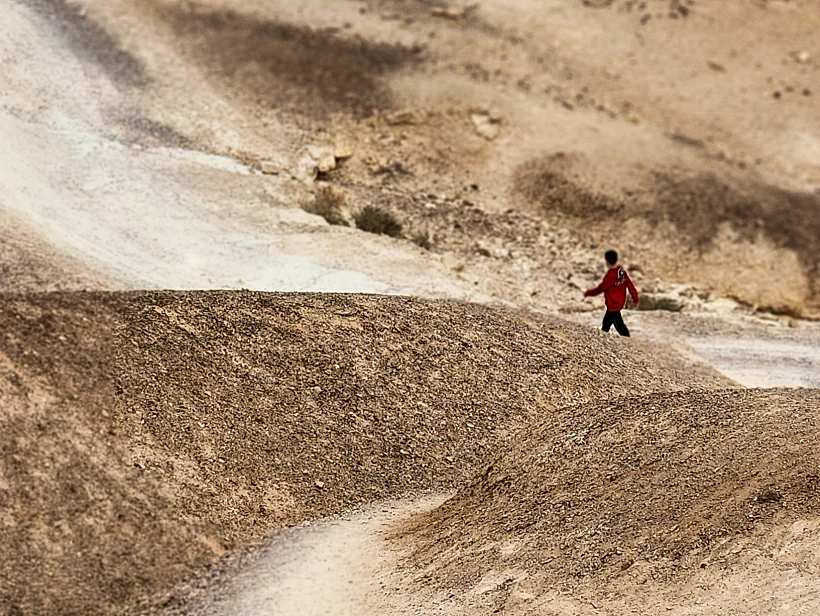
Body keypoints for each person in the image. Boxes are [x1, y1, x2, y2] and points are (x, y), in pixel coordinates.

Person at [584, 250, 639, 337]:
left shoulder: (610, 275)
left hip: (613, 305)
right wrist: (635, 298)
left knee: (620, 327)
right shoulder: (622, 272)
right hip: (618, 304)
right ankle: (602, 337)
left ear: (606, 261)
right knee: (606, 323)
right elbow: (630, 286)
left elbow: (600, 288)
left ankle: (629, 342)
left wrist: (588, 293)